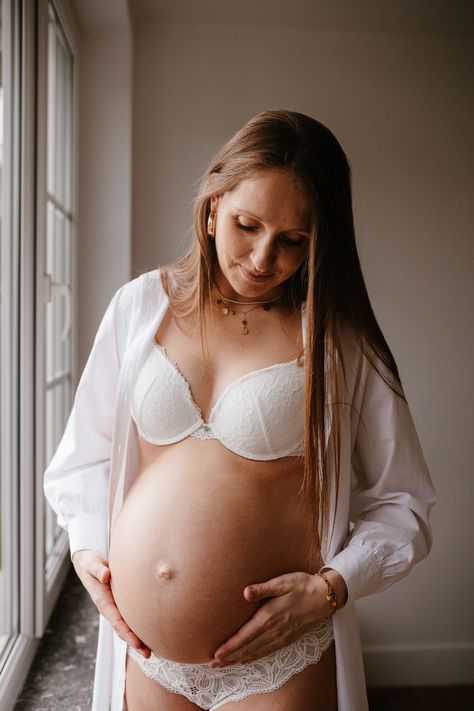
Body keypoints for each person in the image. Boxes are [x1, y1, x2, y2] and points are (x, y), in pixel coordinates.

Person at [43, 109, 436, 711]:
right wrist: (89, 551)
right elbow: (83, 457)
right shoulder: (140, 306)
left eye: (292, 241)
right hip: (149, 658)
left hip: (280, 662)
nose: (261, 258)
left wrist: (331, 590)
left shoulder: (337, 340)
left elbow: (402, 500)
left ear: (319, 241)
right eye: (246, 225)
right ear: (211, 207)